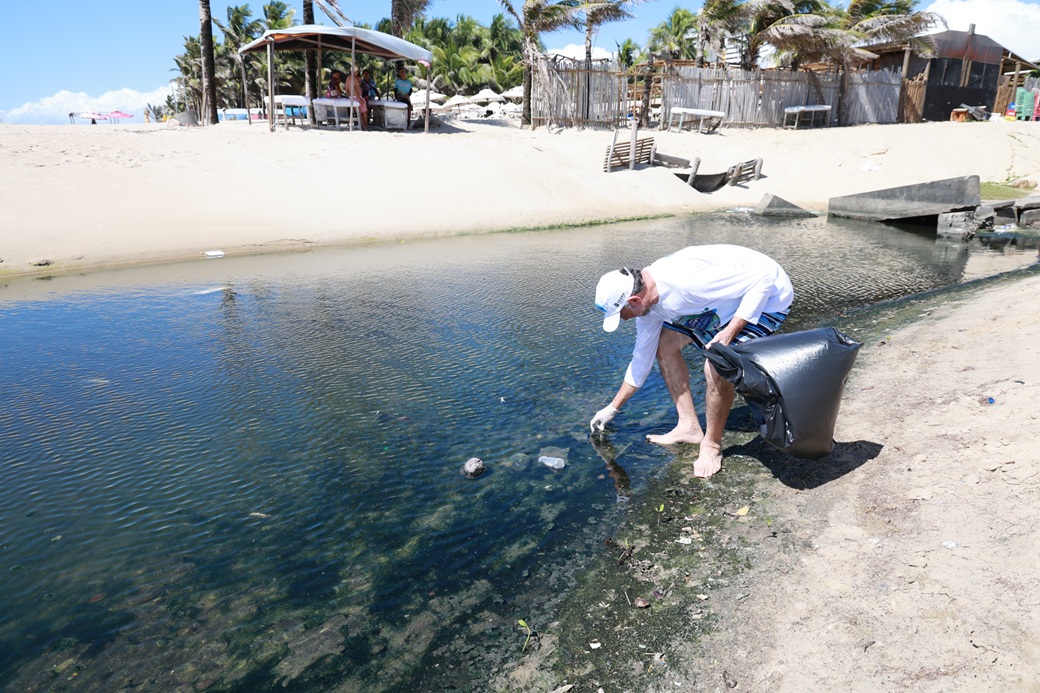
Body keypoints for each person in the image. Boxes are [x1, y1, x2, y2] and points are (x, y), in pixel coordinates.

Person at [590, 245, 794, 478]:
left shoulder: (685, 282)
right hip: (722, 303)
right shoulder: (650, 307)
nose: (625, 320)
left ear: (635, 300)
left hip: (770, 297)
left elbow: (763, 279)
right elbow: (641, 359)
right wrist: (612, 408)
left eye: (622, 315)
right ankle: (689, 427)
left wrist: (729, 332)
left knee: (716, 364)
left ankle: (712, 446)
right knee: (664, 346)